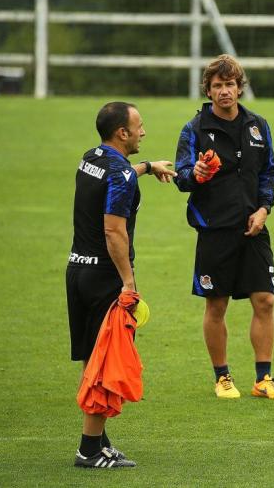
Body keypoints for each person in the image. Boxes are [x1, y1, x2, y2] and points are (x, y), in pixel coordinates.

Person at [66, 101, 176, 468]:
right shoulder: (120, 175)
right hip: (105, 279)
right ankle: (89, 450)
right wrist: (128, 281)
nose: (144, 132)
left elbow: (119, 172)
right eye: (139, 126)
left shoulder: (92, 157)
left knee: (91, 357)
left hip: (78, 270)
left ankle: (99, 441)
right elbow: (114, 231)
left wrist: (147, 166)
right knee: (105, 363)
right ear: (122, 133)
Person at [174, 54, 274, 400]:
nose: (225, 91)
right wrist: (195, 174)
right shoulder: (194, 129)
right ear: (208, 90)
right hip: (214, 229)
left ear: (240, 88)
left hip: (254, 227)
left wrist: (265, 208)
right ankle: (222, 377)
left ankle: (263, 378)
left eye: (230, 84)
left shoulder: (258, 125)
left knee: (265, 300)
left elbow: (270, 170)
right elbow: (181, 177)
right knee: (216, 304)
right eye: (218, 85)